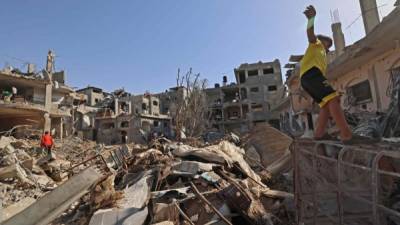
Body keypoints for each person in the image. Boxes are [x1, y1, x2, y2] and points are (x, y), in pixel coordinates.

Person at [301, 5, 377, 144]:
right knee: (333, 99)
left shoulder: (321, 56)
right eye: (328, 44)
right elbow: (311, 35)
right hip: (311, 74)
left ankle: (319, 134)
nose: (329, 47)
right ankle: (346, 134)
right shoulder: (316, 44)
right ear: (321, 40)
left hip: (308, 78)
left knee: (325, 105)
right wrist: (311, 19)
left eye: (330, 46)